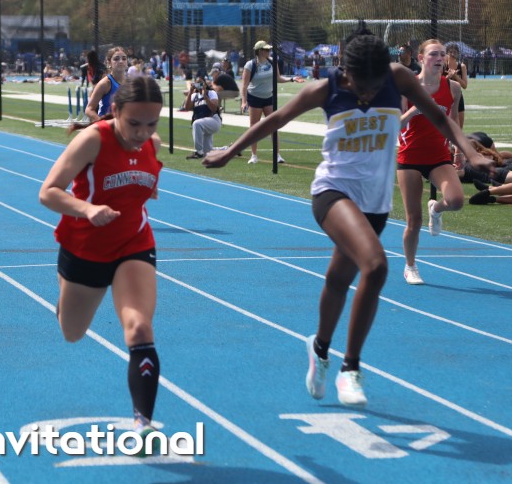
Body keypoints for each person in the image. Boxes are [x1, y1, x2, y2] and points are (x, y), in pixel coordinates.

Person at [203, 25, 492, 407]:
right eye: (361, 87)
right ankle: (350, 369)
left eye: (375, 87)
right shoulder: (327, 89)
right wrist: (229, 152)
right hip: (333, 191)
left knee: (339, 279)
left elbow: (440, 117)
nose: (368, 94)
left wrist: (469, 152)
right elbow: (276, 119)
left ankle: (320, 350)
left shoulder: (398, 77)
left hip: (375, 203)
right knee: (376, 266)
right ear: (346, 71)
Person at [38, 76, 164, 442]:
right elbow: (48, 192)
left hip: (133, 243)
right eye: (134, 123)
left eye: (151, 124)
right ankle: (63, 301)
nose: (143, 133)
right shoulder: (93, 139)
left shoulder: (153, 143)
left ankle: (142, 425)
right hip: (85, 248)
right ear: (116, 111)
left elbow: (143, 183)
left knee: (139, 329)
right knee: (72, 332)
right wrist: (88, 209)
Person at [396, 39, 465, 285]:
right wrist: (416, 109)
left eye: (442, 54)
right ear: (421, 58)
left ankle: (436, 208)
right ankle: (410, 266)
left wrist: (459, 150)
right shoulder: (407, 88)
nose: (439, 58)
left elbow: (453, 123)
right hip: (410, 157)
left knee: (456, 200)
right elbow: (394, 124)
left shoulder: (453, 88)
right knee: (414, 220)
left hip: (438, 156)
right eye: (434, 54)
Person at [241, 40, 291, 164]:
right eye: (266, 50)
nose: (269, 51)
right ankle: (253, 155)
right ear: (260, 51)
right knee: (254, 127)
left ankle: (277, 155)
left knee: (274, 125)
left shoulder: (273, 61)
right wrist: (244, 102)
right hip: (255, 98)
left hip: (269, 98)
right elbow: (244, 85)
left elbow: (278, 78)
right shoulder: (250, 65)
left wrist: (292, 79)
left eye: (269, 49)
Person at [182, 75, 221, 159]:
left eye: (201, 83)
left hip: (213, 121)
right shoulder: (194, 95)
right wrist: (190, 92)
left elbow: (214, 109)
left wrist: (205, 96)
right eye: (197, 83)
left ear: (205, 84)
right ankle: (229, 149)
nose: (199, 85)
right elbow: (186, 108)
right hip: (203, 123)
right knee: (208, 152)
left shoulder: (211, 93)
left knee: (196, 124)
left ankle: (198, 152)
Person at [85, 46, 127, 123]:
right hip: (107, 127)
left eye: (124, 59)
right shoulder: (105, 83)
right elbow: (89, 109)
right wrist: (103, 123)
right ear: (109, 62)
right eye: (116, 59)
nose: (121, 61)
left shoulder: (130, 83)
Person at [444, 42, 468, 128]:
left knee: (459, 127)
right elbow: (438, 82)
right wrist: (448, 77)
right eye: (451, 52)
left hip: (458, 97)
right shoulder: (443, 65)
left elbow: (464, 86)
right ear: (447, 53)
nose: (453, 54)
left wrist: (456, 77)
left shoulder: (462, 66)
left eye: (455, 52)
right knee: (446, 126)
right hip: (445, 97)